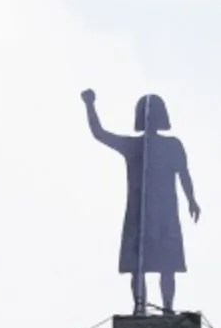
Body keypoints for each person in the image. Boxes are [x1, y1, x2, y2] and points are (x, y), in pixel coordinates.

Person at [81, 89, 201, 315]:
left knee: (168, 265)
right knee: (138, 266)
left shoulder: (172, 145)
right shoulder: (134, 146)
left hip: (165, 213)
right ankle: (140, 308)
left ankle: (168, 308)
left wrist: (191, 200)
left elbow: (184, 174)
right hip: (139, 212)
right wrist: (89, 104)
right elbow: (99, 133)